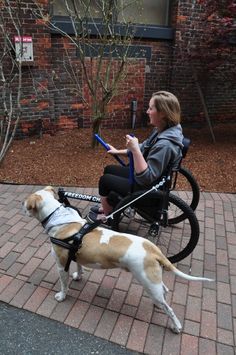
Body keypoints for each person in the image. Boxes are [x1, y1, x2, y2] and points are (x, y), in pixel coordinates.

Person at [88, 90, 184, 223]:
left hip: (146, 188)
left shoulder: (165, 145)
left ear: (162, 114)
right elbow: (144, 147)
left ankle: (108, 217)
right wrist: (118, 151)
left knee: (105, 180)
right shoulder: (163, 130)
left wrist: (135, 150)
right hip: (149, 181)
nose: (147, 111)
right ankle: (110, 206)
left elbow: (146, 177)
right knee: (109, 169)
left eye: (151, 108)